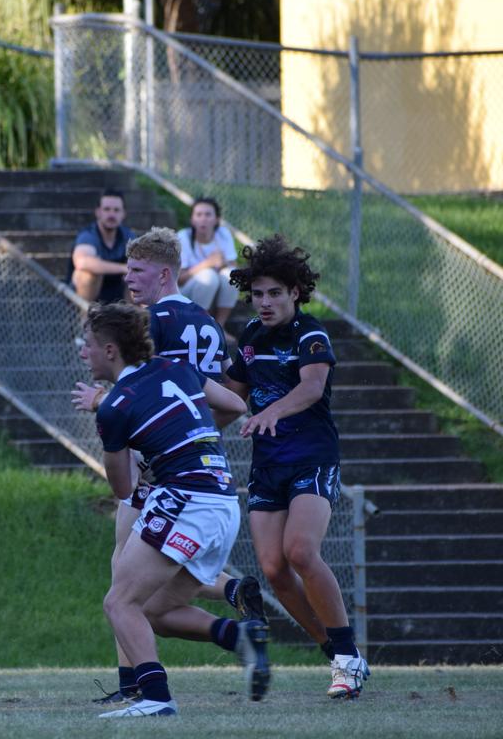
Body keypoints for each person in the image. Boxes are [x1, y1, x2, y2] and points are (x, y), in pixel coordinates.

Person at [72, 228, 268, 705]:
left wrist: (114, 411)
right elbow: (218, 398)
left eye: (137, 270)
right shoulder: (204, 320)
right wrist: (192, 434)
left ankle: (136, 686)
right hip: (203, 474)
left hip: (166, 478)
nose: (129, 278)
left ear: (164, 272)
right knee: (147, 588)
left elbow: (139, 386)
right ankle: (233, 612)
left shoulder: (153, 321)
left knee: (124, 584)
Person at [224, 236, 371, 699]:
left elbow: (311, 389)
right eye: (258, 294)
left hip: (311, 457)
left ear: (294, 293)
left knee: (301, 552)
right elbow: (230, 399)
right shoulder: (249, 337)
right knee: (272, 568)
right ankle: (338, 654)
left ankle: (347, 658)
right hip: (268, 465)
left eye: (275, 293)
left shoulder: (311, 333)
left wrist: (271, 412)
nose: (264, 303)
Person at [177, 198, 239, 344]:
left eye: (208, 214)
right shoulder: (183, 237)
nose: (203, 219)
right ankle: (199, 328)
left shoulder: (223, 234)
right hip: (187, 291)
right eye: (198, 214)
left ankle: (219, 326)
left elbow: (233, 265)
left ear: (216, 219)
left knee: (230, 275)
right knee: (208, 276)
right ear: (192, 219)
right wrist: (207, 263)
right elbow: (179, 279)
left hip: (214, 287)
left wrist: (223, 263)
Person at [69, 189, 136, 303]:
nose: (111, 214)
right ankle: (85, 319)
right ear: (98, 212)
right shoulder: (88, 234)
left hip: (118, 293)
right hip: (83, 298)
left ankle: (134, 319)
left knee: (137, 277)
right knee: (88, 274)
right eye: (107, 209)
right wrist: (123, 268)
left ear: (123, 214)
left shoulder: (128, 235)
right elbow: (82, 262)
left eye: (116, 210)